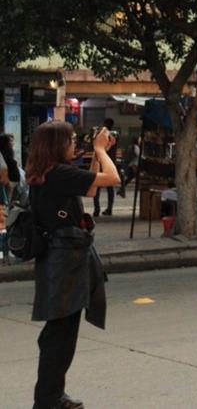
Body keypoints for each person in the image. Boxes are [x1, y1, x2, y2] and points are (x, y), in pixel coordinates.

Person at [28, 121, 119, 409]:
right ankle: (47, 400)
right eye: (69, 141)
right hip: (64, 261)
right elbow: (113, 179)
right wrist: (100, 150)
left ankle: (53, 395)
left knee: (59, 332)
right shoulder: (59, 174)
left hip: (58, 259)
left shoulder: (47, 174)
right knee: (60, 335)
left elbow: (90, 189)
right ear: (57, 145)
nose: (72, 145)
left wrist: (96, 154)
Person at [91, 118, 118, 217]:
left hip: (100, 163)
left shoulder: (101, 135)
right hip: (110, 164)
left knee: (97, 186)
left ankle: (96, 209)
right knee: (110, 188)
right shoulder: (114, 136)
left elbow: (94, 145)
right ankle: (109, 209)